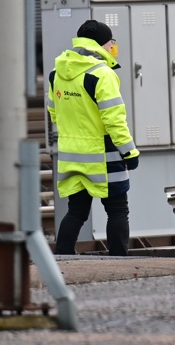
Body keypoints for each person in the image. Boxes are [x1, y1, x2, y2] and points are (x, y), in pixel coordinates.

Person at [47, 20, 140, 256]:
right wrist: (129, 151)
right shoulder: (102, 74)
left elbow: (53, 112)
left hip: (70, 153)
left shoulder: (56, 73)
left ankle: (62, 257)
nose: (112, 48)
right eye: (111, 43)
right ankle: (118, 259)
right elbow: (114, 120)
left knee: (76, 211)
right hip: (103, 153)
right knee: (118, 210)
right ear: (102, 43)